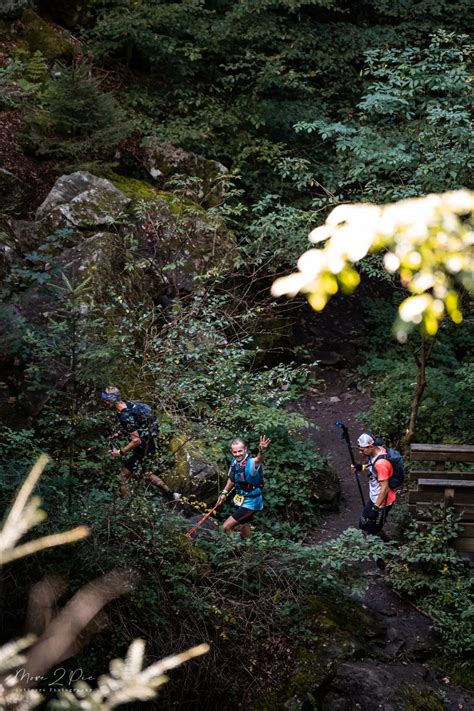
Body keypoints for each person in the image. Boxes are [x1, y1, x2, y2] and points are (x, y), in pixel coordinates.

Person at [101, 387, 180, 500]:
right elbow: (137, 424)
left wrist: (120, 452)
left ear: (112, 400)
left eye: (105, 400)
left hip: (142, 448)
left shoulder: (125, 415)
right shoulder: (127, 404)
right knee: (146, 474)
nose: (104, 403)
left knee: (122, 478)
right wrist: (120, 433)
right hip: (149, 444)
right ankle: (172, 495)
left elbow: (136, 440)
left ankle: (129, 510)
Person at [216, 435, 271, 539]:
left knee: (226, 527)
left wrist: (262, 450)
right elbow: (232, 479)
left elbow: (259, 459)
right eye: (235, 452)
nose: (238, 454)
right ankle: (248, 550)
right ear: (231, 452)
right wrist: (224, 492)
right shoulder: (234, 462)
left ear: (245, 449)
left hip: (251, 502)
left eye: (240, 451)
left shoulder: (251, 463)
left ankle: (237, 548)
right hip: (241, 500)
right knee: (245, 529)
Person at [352, 432, 396, 540]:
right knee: (363, 524)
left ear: (371, 446)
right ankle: (383, 539)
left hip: (382, 503)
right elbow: (373, 467)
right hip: (374, 498)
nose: (360, 452)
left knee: (373, 533)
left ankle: (387, 551)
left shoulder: (381, 463)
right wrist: (362, 467)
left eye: (362, 450)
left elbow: (385, 488)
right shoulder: (376, 452)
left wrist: (375, 509)